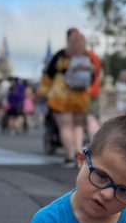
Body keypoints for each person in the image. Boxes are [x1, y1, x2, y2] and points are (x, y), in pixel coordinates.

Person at [39, 29, 93, 165]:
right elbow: (92, 76)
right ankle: (79, 156)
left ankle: (69, 156)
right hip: (80, 96)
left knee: (65, 126)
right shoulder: (86, 56)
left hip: (61, 95)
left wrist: (44, 90)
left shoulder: (60, 55)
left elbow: (48, 76)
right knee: (78, 126)